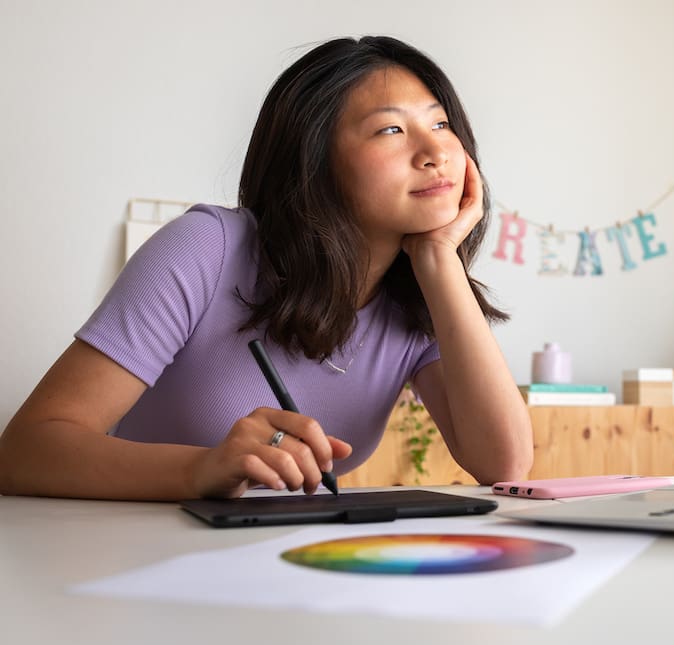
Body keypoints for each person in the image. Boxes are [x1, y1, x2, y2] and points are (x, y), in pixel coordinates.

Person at [0, 36, 533, 500]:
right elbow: (25, 451)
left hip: (292, 575)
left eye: (441, 123)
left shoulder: (422, 297)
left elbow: (503, 465)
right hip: (139, 572)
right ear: (315, 159)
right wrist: (202, 469)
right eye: (390, 130)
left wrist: (439, 260)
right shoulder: (206, 249)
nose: (435, 151)